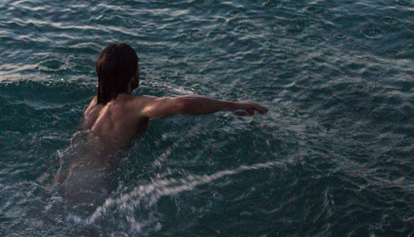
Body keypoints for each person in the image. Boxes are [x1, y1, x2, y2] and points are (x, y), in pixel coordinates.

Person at [56, 42, 267, 208]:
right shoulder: (134, 106)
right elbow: (182, 103)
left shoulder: (93, 105)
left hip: (65, 179)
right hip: (95, 187)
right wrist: (231, 106)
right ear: (132, 74)